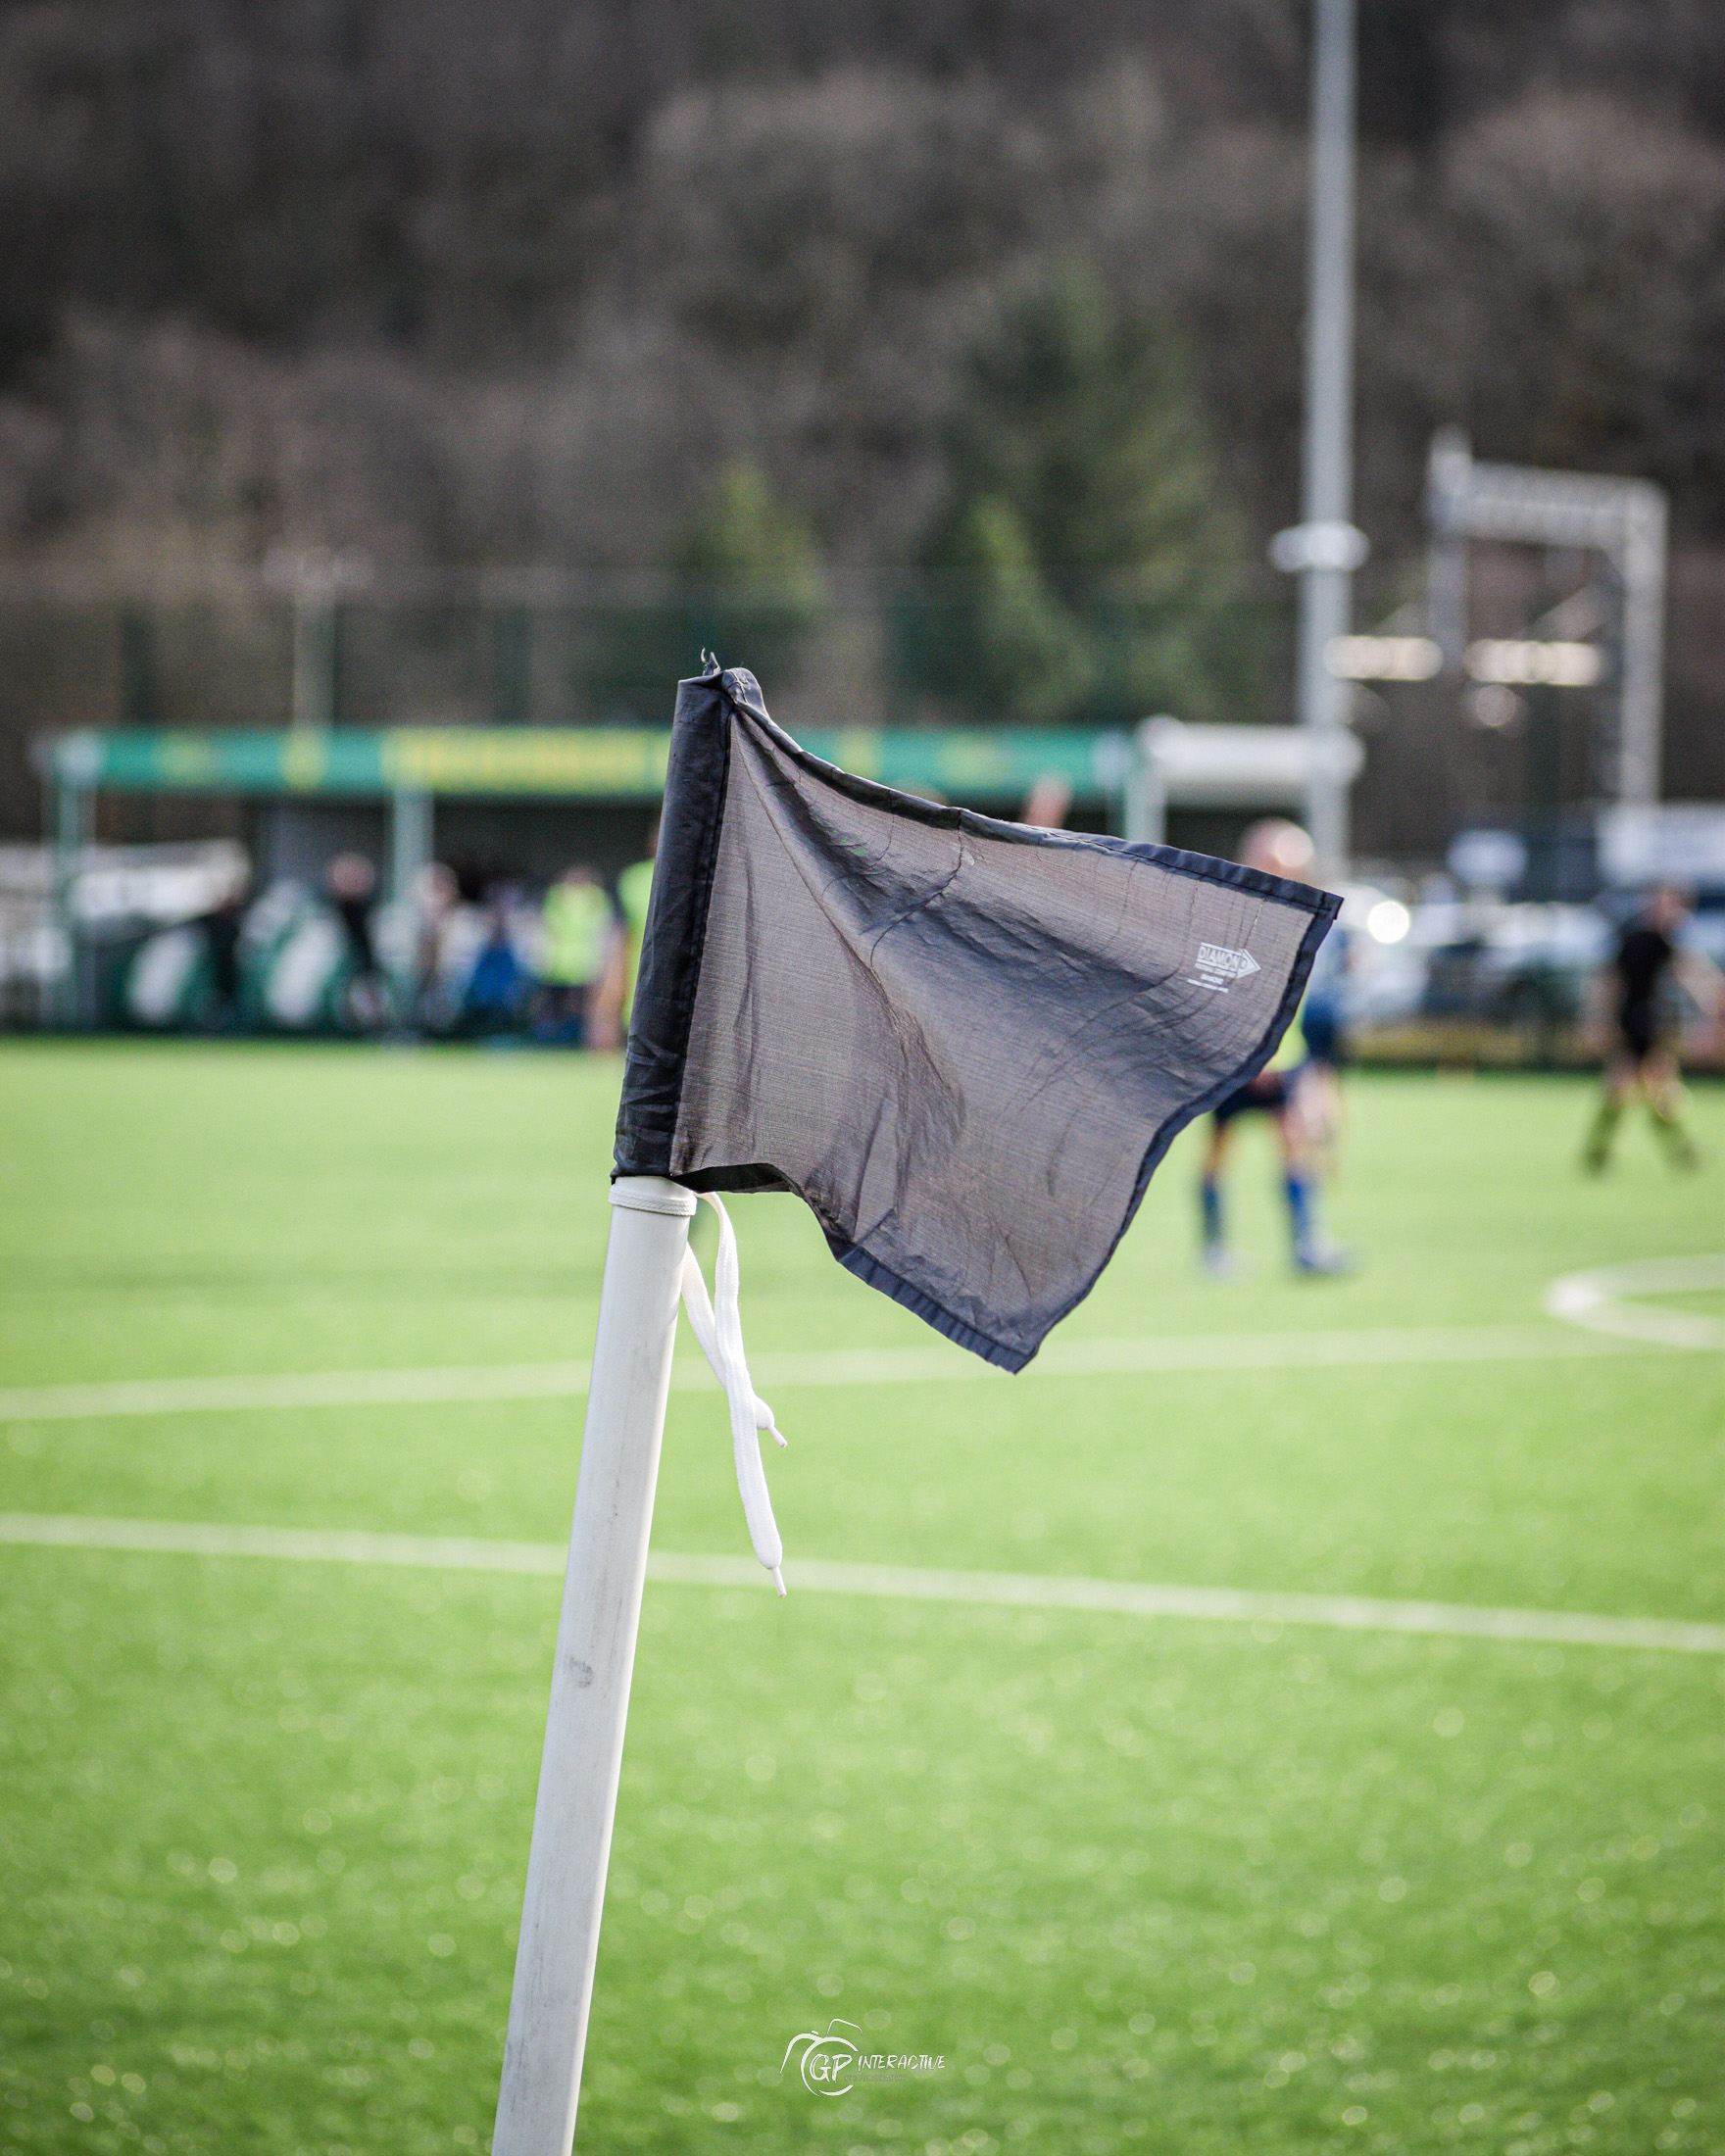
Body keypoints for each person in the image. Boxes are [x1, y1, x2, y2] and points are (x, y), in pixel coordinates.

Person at [1198, 818, 1350, 1277]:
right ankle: (1214, 1250)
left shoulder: (1306, 923)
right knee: (1217, 1155)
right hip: (1237, 1062)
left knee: (1295, 1149)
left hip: (1283, 1064)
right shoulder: (1231, 917)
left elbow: (1305, 1006)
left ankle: (1307, 1245)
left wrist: (1316, 1076)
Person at [1581, 885, 1723, 1172]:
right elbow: (1610, 981)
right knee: (1637, 1090)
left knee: (1654, 1091)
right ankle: (1605, 1150)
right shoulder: (1637, 940)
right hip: (1635, 1024)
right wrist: (1598, 1019)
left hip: (1651, 1026)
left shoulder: (1663, 941)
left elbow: (1691, 974)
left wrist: (1709, 1004)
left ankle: (1604, 1150)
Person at [537, 866, 616, 1045]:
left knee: (582, 1006)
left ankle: (578, 1039)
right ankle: (553, 1039)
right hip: (560, 962)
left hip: (583, 961)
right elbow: (549, 923)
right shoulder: (557, 895)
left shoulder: (595, 897)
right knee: (556, 1005)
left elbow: (602, 925)